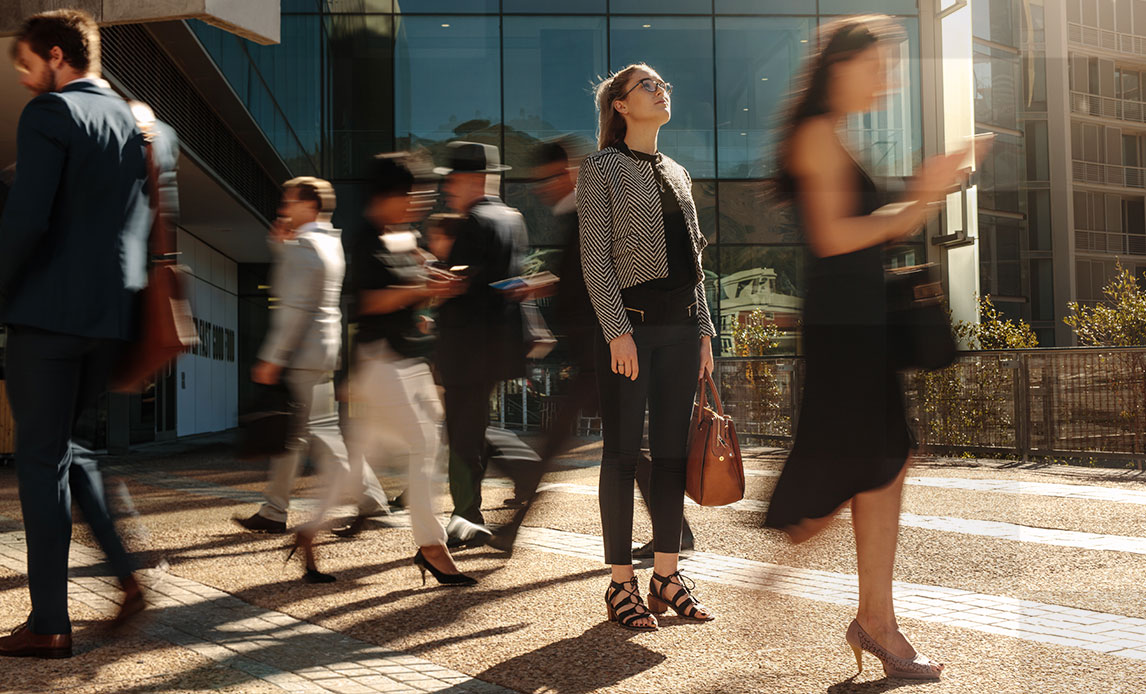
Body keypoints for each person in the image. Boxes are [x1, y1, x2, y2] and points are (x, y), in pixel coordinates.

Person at [765, 15, 977, 680]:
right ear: (840, 66)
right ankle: (774, 578)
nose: (887, 79)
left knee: (886, 464)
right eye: (878, 65)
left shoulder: (837, 137)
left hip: (859, 331)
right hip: (846, 337)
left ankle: (875, 621)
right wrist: (921, 197)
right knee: (844, 483)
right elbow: (833, 237)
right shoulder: (815, 136)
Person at [0, 9, 178, 658]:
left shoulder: (51, 114)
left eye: (23, 65)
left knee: (42, 460)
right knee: (69, 449)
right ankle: (126, 574)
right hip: (111, 320)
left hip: (47, 315)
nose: (22, 80)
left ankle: (49, 621)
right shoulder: (146, 124)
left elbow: (26, 223)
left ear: (54, 55)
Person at [488, 138, 696, 557]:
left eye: (547, 179)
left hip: (607, 347)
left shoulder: (590, 206)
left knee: (580, 444)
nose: (542, 189)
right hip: (598, 350)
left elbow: (602, 272)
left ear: (567, 172)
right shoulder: (577, 212)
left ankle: (513, 526)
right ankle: (678, 531)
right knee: (623, 449)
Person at [577, 64, 717, 632]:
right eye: (649, 86)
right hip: (630, 332)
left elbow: (696, 264)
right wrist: (616, 330)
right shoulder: (601, 169)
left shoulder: (678, 172)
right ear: (620, 106)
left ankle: (666, 574)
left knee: (671, 457)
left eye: (665, 84)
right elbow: (595, 257)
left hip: (684, 330)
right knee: (620, 456)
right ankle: (620, 584)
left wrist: (705, 330)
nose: (662, 91)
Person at [348, 152, 475, 586]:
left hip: (411, 357)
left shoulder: (401, 235)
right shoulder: (362, 239)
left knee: (389, 448)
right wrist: (421, 289)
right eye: (413, 193)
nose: (420, 201)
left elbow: (414, 284)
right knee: (423, 444)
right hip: (380, 358)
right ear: (388, 195)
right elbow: (369, 302)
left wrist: (434, 287)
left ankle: (307, 534)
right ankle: (431, 545)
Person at [247, 177, 359, 583]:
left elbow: (294, 307)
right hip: (321, 351)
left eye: (288, 200)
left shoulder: (306, 246)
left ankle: (367, 499)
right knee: (299, 433)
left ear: (309, 205)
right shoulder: (329, 240)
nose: (283, 207)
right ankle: (273, 510)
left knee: (308, 433)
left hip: (302, 353)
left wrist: (272, 357)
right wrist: (282, 248)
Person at [433, 141, 537, 548]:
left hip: (465, 348)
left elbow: (461, 285)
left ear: (473, 179)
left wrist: (442, 284)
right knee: (472, 430)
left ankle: (466, 516)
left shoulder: (472, 223)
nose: (448, 189)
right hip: (497, 348)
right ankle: (514, 476)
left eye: (453, 180)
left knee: (461, 437)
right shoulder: (513, 218)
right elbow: (510, 282)